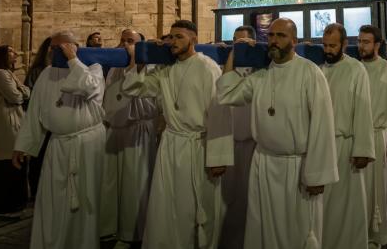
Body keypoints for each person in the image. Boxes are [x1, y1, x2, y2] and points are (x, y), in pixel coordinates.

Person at [217, 18, 338, 249]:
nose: (274, 41)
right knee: (261, 228)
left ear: (294, 40)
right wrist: (236, 51)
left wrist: (317, 175)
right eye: (271, 36)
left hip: (296, 168)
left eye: (281, 36)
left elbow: (322, 125)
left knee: (297, 230)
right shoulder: (262, 75)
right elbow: (227, 94)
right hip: (263, 164)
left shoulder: (310, 73)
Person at [122, 20, 232, 249]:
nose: (173, 41)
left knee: (195, 206)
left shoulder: (207, 67)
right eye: (170, 37)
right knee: (166, 204)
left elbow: (220, 112)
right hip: (171, 144)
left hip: (197, 147)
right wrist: (143, 59)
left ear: (193, 39)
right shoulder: (165, 68)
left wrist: (218, 157)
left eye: (179, 37)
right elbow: (134, 89)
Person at [12, 31, 106, 249]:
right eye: (54, 48)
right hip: (59, 145)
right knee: (53, 200)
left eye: (63, 47)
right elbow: (34, 112)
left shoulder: (93, 68)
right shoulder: (46, 74)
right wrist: (23, 146)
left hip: (86, 146)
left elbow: (88, 87)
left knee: (85, 201)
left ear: (75, 47)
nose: (58, 52)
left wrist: (73, 60)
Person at [100, 28, 160, 248]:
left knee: (134, 184)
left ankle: (131, 232)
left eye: (131, 41)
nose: (125, 45)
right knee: (112, 184)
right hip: (115, 130)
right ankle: (109, 227)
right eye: (123, 40)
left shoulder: (150, 67)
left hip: (138, 130)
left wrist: (137, 64)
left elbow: (143, 96)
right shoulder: (114, 68)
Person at [320, 23, 375, 249]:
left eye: (333, 45)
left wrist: (362, 150)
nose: (328, 50)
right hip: (322, 146)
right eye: (324, 45)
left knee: (346, 205)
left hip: (345, 147)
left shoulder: (356, 70)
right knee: (323, 206)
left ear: (344, 44)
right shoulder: (318, 69)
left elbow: (363, 111)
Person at [357, 25, 387, 249]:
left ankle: (375, 237)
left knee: (376, 191)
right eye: (359, 41)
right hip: (355, 137)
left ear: (377, 44)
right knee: (357, 191)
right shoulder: (352, 68)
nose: (361, 46)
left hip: (378, 136)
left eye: (366, 42)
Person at [220, 25, 259, 249]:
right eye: (234, 41)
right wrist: (233, 54)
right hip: (230, 142)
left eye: (242, 42)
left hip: (254, 145)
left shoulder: (260, 70)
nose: (238, 45)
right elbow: (223, 93)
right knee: (230, 199)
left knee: (252, 198)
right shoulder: (228, 69)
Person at [0, 45, 30, 216]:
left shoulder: (8, 74)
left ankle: (6, 204)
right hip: (7, 125)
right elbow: (17, 96)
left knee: (11, 163)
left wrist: (22, 91)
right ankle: (6, 205)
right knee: (9, 163)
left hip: (14, 123)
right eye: (11, 52)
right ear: (1, 56)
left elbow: (26, 91)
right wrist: (22, 92)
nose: (16, 54)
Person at [24, 36, 53, 201]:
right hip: (42, 121)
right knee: (38, 159)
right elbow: (30, 96)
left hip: (54, 123)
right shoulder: (38, 71)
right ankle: (36, 191)